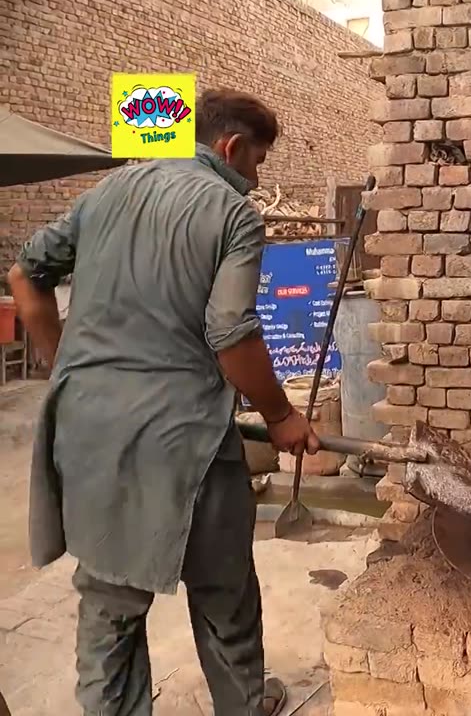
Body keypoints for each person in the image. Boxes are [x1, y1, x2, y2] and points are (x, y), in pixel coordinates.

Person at [7, 89, 320, 716]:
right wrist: (283, 417)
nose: (256, 179)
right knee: (224, 594)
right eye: (257, 161)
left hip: (88, 431)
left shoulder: (104, 194)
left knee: (109, 610)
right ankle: (245, 703)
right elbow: (231, 332)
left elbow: (24, 276)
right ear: (231, 148)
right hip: (186, 442)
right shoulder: (233, 214)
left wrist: (64, 364)